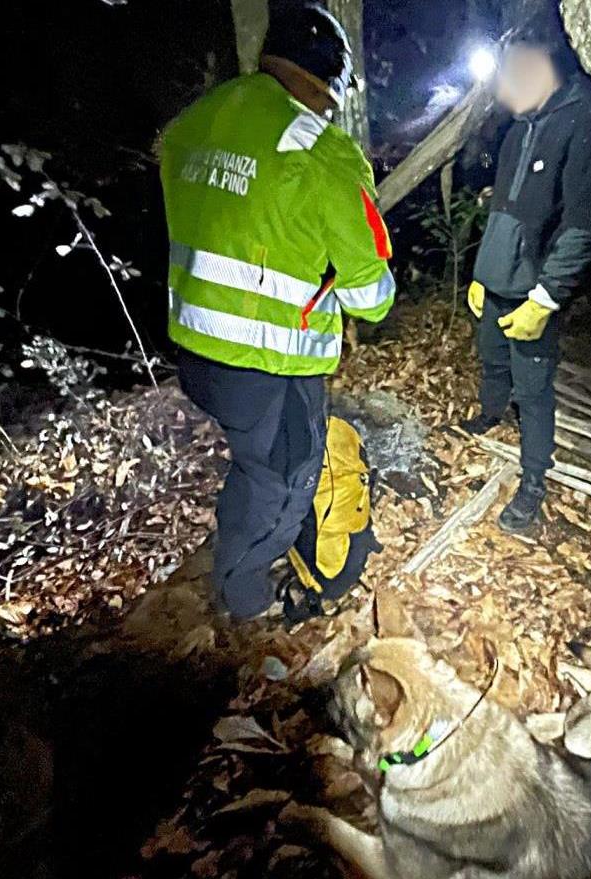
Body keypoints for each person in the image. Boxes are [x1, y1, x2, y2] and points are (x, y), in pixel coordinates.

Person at [160, 2, 395, 619]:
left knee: (250, 465)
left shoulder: (197, 122)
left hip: (193, 345)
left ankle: (238, 555)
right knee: (281, 483)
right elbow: (372, 293)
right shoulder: (322, 151)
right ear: (326, 82)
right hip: (268, 364)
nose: (327, 110)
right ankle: (243, 602)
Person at [463, 22, 591, 534]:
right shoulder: (520, 128)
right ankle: (489, 416)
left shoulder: (583, 121)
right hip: (497, 280)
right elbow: (502, 207)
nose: (502, 91)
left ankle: (533, 484)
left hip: (532, 289)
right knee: (491, 359)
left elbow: (583, 224)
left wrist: (545, 298)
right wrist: (481, 271)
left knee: (533, 391)